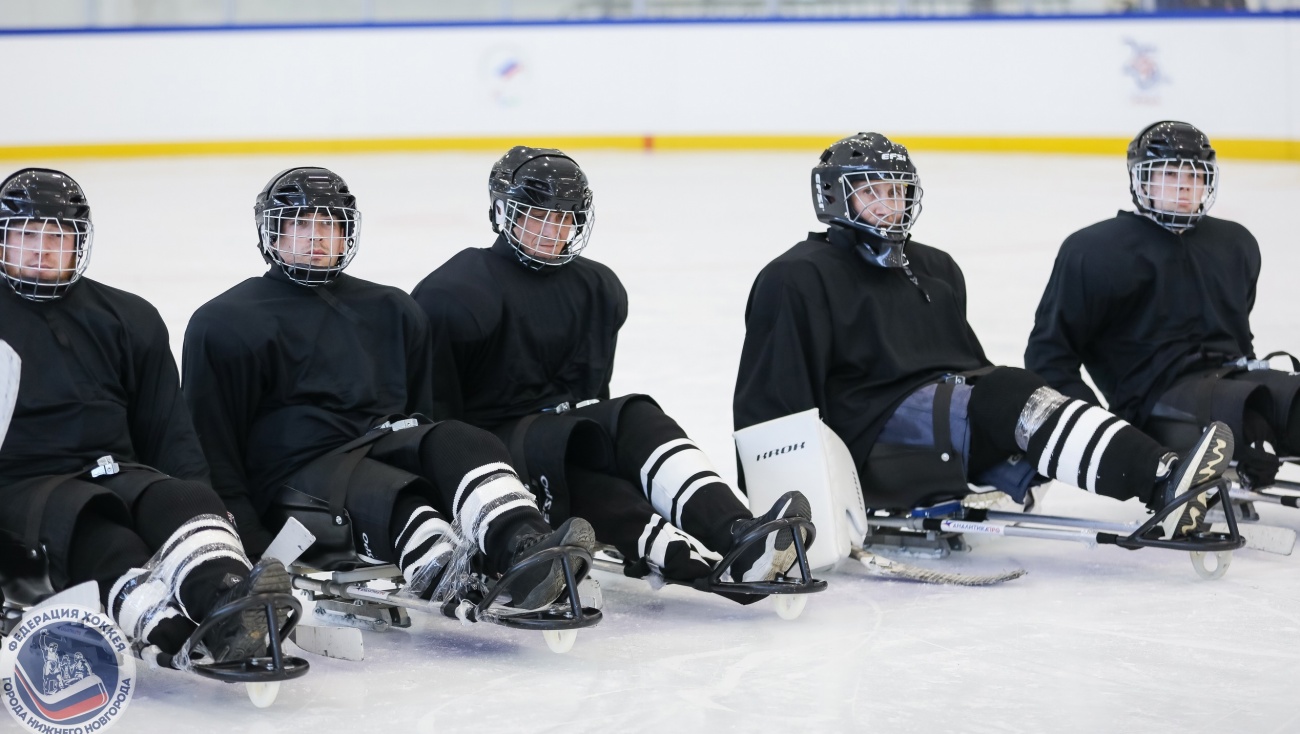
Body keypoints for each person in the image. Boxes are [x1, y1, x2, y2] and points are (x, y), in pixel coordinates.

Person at [733, 133, 1234, 540]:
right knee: (1009, 394)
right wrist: (791, 502)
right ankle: (1163, 480)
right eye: (872, 192)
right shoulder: (797, 277)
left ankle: (1164, 473)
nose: (889, 205)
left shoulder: (935, 267)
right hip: (868, 436)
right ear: (833, 197)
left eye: (897, 191)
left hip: (938, 419)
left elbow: (968, 367)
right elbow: (772, 398)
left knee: (1018, 396)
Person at [182, 166, 593, 611]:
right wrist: (251, 539)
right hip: (298, 481)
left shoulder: (393, 308)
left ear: (347, 233)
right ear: (270, 233)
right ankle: (439, 565)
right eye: (298, 223)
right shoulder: (224, 323)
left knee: (460, 438)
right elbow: (213, 446)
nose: (315, 236)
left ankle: (526, 545)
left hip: (379, 449)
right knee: (396, 494)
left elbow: (420, 416)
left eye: (329, 223)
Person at [411, 146, 813, 596]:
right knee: (580, 472)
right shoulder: (454, 293)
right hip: (497, 448)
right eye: (537, 215)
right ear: (503, 212)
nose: (552, 230)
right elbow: (438, 421)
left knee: (634, 414)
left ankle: (738, 530)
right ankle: (683, 560)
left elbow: (593, 392)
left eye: (564, 217)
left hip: (567, 431)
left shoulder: (599, 287)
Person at [0, 168, 291, 667]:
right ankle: (171, 632)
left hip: (115, 473)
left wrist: (205, 505)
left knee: (186, 498)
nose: (41, 250)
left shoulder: (127, 316)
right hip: (27, 487)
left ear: (79, 243)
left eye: (57, 236)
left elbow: (169, 433)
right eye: (27, 235)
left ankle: (230, 601)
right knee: (105, 535)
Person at [1026, 121, 1295, 490]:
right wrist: (1101, 430)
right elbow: (1049, 355)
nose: (1184, 185)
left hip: (1233, 381)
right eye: (1168, 173)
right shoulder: (1093, 251)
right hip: (1153, 400)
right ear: (1141, 179)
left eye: (1195, 175)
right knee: (1247, 416)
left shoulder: (1236, 243)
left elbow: (1238, 334)